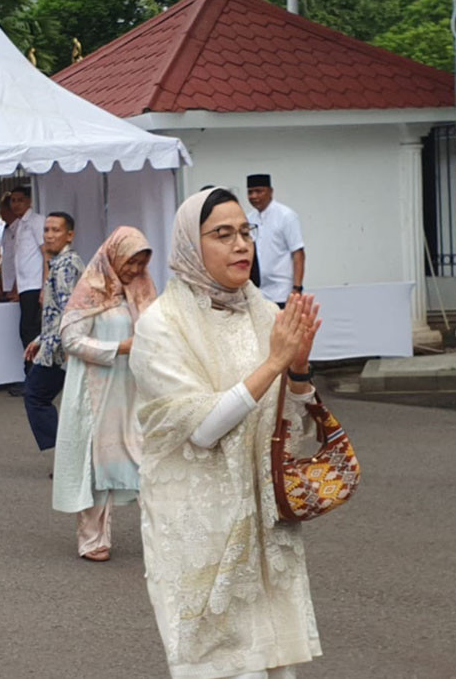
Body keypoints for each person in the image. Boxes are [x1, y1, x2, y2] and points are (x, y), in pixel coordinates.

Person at [130, 188, 323, 678]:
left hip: (262, 523)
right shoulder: (162, 326)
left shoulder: (263, 311)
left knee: (273, 663)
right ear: (193, 246)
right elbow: (201, 429)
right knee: (218, 666)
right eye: (223, 234)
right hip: (199, 527)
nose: (241, 245)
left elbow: (290, 428)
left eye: (245, 232)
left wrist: (297, 372)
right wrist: (275, 362)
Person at [53, 226, 156, 562]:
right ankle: (93, 539)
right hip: (96, 393)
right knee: (97, 467)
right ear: (114, 257)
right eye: (130, 262)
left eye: (141, 262)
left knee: (147, 462)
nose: (135, 270)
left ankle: (166, 536)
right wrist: (118, 348)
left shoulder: (141, 291)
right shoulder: (91, 290)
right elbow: (70, 339)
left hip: (131, 392)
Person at [22, 212, 85, 454]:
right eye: (46, 230)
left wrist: (56, 344)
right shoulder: (59, 263)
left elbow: (69, 310)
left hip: (60, 348)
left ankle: (65, 455)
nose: (49, 236)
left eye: (55, 230)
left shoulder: (67, 266)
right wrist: (40, 339)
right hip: (55, 343)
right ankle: (68, 455)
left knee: (36, 394)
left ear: (70, 234)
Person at [4, 186, 45, 396]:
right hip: (25, 286)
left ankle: (34, 380)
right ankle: (31, 377)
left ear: (29, 200)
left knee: (30, 332)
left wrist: (45, 286)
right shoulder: (19, 225)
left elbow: (45, 254)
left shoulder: (36, 222)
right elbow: (20, 260)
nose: (16, 204)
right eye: (13, 200)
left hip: (36, 285)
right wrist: (15, 289)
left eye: (20, 200)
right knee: (27, 331)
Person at [246, 174, 306, 308]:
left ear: (270, 191)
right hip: (258, 294)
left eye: (259, 191)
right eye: (250, 192)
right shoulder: (248, 219)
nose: (254, 196)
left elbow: (298, 253)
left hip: (282, 292)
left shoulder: (286, 216)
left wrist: (297, 288)